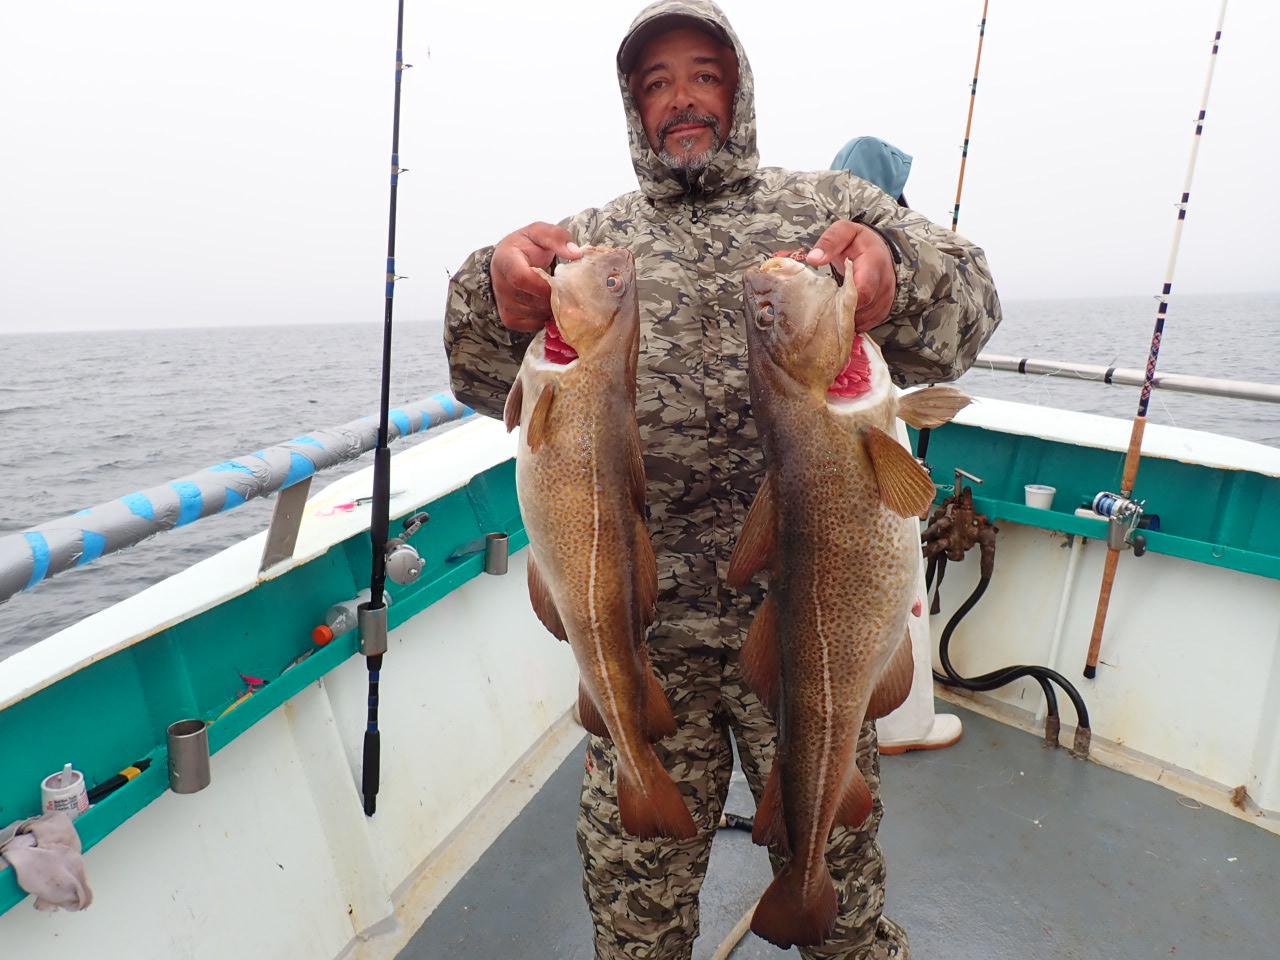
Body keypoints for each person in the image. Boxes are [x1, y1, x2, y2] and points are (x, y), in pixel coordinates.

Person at [444, 2, 1001, 957]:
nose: (681, 99)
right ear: (632, 107)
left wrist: (896, 273)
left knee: (844, 893)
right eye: (654, 84)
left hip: (809, 619)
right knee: (635, 913)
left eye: (702, 73)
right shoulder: (590, 242)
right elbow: (477, 374)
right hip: (642, 629)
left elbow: (971, 312)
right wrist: (486, 289)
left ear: (737, 88)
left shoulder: (826, 211)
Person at [827, 136, 966, 756]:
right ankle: (904, 727)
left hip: (865, 421)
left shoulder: (820, 250)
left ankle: (879, 721)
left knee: (868, 584)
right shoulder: (888, 247)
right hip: (868, 428)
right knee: (892, 581)